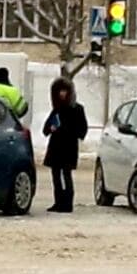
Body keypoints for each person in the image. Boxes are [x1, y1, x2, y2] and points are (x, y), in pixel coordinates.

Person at [43, 77, 88, 214]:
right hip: (56, 146)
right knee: (56, 175)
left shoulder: (77, 109)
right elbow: (45, 129)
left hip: (68, 147)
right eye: (59, 91)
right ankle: (58, 202)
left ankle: (68, 203)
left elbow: (82, 130)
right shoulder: (56, 110)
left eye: (64, 91)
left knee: (66, 175)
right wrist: (51, 129)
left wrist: (68, 130)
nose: (62, 94)